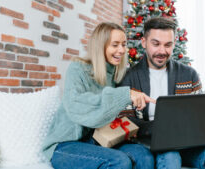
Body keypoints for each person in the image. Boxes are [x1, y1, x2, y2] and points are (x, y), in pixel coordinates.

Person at [119, 17, 205, 169]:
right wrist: (157, 128)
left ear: (174, 44)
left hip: (188, 143)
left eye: (168, 45)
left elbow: (201, 113)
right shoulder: (129, 77)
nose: (162, 51)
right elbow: (124, 120)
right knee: (170, 155)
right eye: (156, 44)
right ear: (144, 43)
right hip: (150, 143)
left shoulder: (189, 75)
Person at [42, 22, 156, 169]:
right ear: (100, 46)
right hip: (65, 145)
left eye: (123, 44)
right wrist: (124, 95)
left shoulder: (116, 74)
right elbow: (76, 105)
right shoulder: (78, 68)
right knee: (119, 161)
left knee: (143, 155)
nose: (121, 50)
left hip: (99, 141)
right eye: (115, 45)